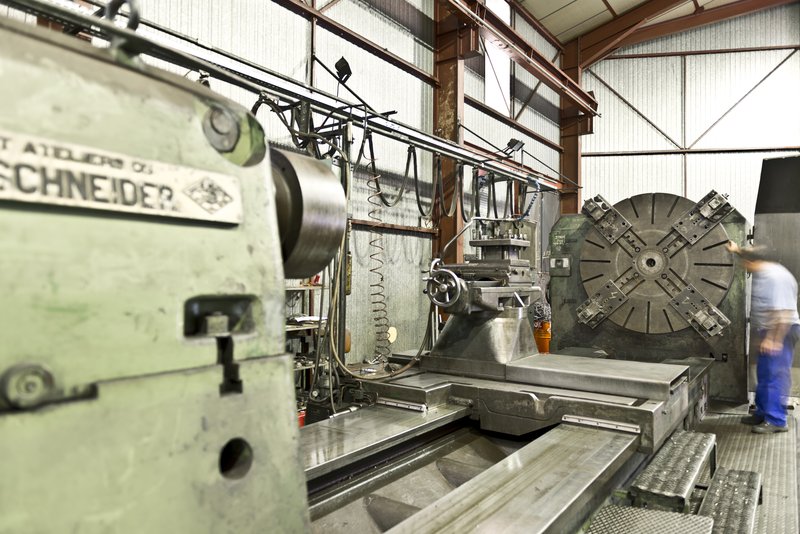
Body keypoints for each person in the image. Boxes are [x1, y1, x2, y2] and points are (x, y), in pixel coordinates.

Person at [727, 241, 799, 434]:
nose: (743, 266)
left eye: (745, 262)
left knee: (774, 375)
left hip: (781, 331)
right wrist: (736, 249)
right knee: (765, 373)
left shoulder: (774, 277)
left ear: (753, 262)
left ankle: (776, 420)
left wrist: (773, 339)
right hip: (768, 329)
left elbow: (783, 313)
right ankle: (762, 412)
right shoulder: (765, 270)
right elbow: (747, 254)